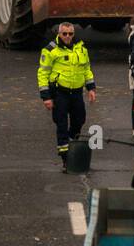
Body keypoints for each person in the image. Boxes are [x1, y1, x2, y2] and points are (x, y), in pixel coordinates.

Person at [38, 22, 97, 171]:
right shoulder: (50, 50)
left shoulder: (81, 49)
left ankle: (72, 140)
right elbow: (43, 74)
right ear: (59, 34)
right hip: (59, 94)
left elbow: (86, 69)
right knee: (61, 125)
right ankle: (66, 159)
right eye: (64, 34)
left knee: (80, 119)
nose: (67, 37)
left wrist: (91, 88)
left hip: (76, 93)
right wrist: (46, 97)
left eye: (70, 34)